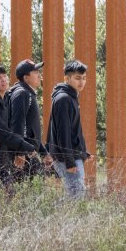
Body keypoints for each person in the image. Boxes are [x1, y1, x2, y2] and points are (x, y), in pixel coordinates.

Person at [46, 60, 91, 199]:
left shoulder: (71, 97)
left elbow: (74, 130)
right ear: (67, 78)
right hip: (67, 159)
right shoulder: (63, 99)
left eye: (84, 78)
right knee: (77, 198)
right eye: (77, 78)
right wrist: (70, 161)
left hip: (72, 156)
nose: (81, 82)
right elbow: (63, 133)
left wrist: (83, 152)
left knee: (75, 196)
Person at [8, 59, 54, 182]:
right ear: (26, 77)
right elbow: (18, 123)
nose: (40, 75)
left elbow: (32, 129)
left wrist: (44, 152)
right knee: (30, 189)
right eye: (35, 72)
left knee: (35, 188)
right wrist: (20, 152)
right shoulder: (22, 93)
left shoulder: (28, 93)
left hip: (29, 150)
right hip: (24, 152)